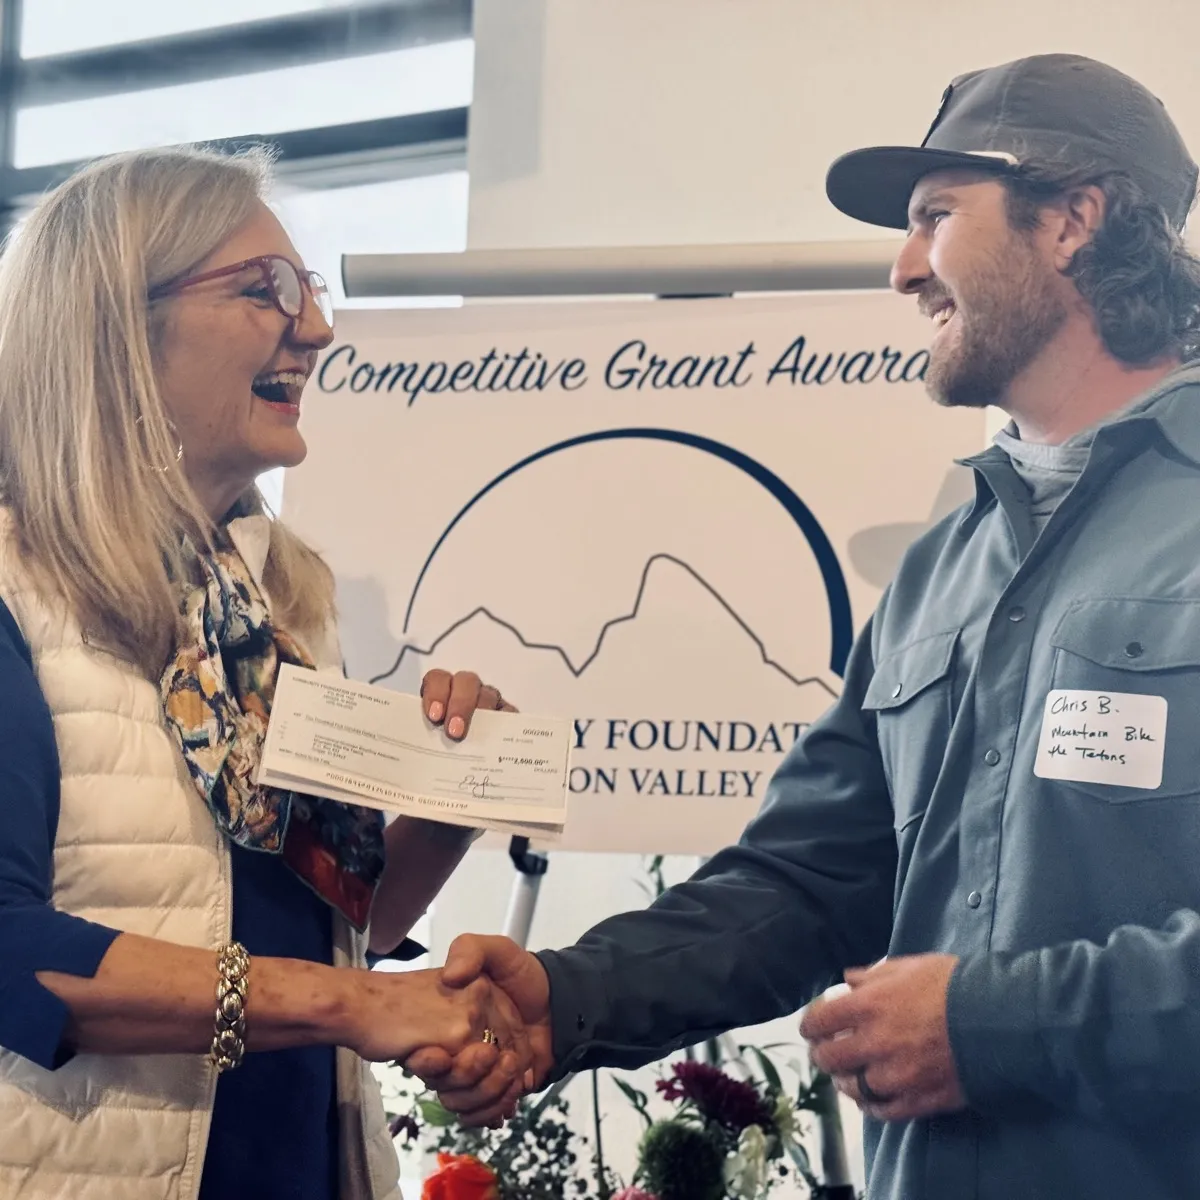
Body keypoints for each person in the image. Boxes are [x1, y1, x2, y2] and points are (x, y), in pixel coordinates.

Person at [414, 53, 1200, 1200]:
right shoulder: (946, 568)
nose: (900, 269)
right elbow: (803, 885)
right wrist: (567, 997)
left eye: (936, 216)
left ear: (1074, 218)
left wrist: (994, 1024)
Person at [0, 146, 529, 1200]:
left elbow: (336, 940)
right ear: (114, 322)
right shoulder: (13, 586)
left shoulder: (277, 608)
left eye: (313, 291)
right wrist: (351, 1007)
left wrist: (452, 802)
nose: (319, 331)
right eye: (266, 289)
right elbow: (9, 954)